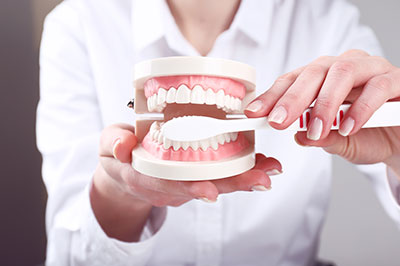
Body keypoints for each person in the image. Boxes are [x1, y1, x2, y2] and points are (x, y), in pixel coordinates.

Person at [36, 0, 400, 265]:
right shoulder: (79, 24)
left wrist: (398, 152)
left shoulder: (331, 23)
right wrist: (118, 195)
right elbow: (71, 256)